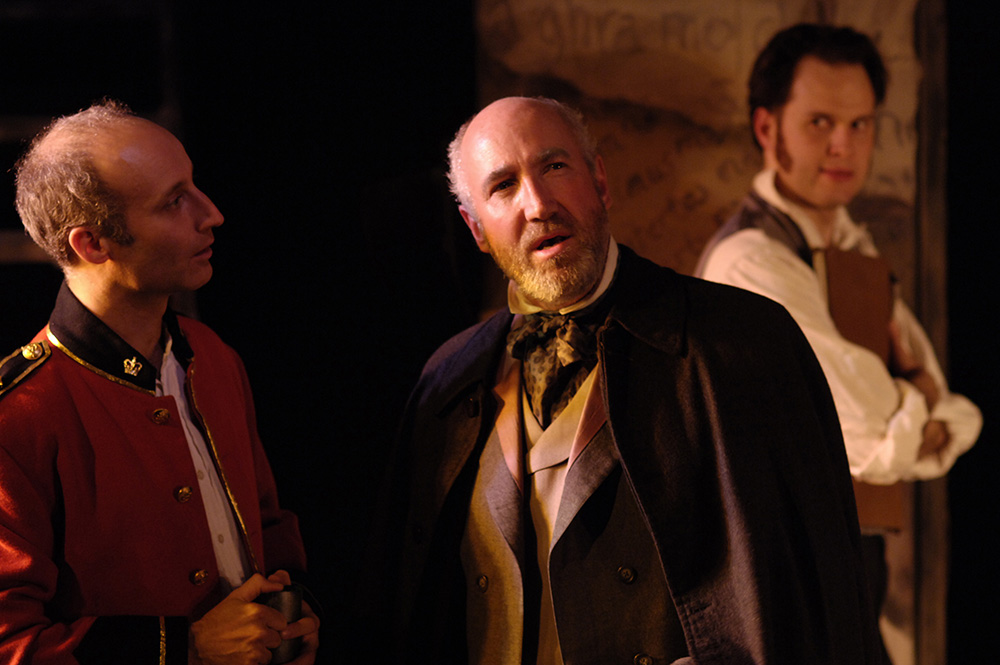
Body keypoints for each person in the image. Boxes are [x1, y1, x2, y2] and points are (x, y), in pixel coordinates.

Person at [368, 96, 883, 664]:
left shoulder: (744, 344)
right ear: (476, 230)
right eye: (504, 186)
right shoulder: (447, 382)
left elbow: (815, 599)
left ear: (601, 181)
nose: (538, 203)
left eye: (555, 167)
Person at [695, 23, 982, 661]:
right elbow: (879, 436)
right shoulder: (753, 263)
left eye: (860, 124)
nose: (843, 146)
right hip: (783, 583)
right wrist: (920, 397)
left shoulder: (850, 244)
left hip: (848, 564)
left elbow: (956, 418)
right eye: (821, 122)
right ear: (767, 130)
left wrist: (920, 402)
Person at [0, 101, 319, 665]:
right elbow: (10, 641)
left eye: (194, 187)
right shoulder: (18, 413)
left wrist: (290, 608)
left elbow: (269, 524)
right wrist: (185, 649)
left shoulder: (213, 356)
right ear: (92, 244)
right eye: (174, 202)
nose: (212, 214)